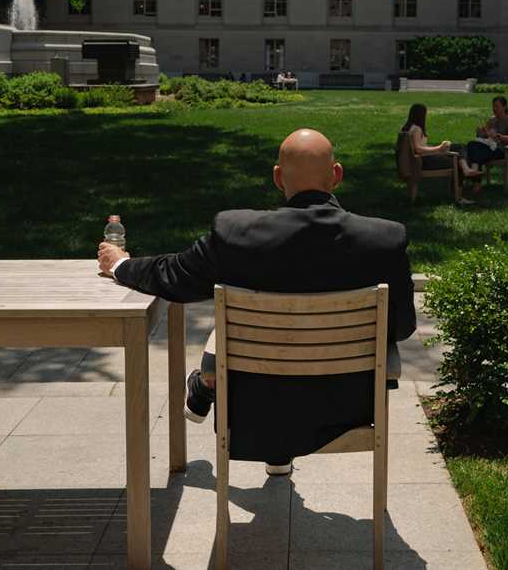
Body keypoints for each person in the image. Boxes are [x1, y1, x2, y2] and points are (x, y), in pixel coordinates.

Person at [97, 129, 417, 476]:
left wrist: (120, 264)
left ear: (278, 178)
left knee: (227, 334)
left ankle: (207, 385)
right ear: (337, 175)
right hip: (345, 405)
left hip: (256, 406)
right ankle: (221, 400)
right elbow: (401, 327)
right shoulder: (385, 241)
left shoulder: (236, 234)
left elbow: (173, 276)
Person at [400, 103, 483, 200]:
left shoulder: (407, 127)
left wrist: (440, 149)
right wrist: (438, 148)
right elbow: (418, 149)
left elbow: (417, 147)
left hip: (422, 159)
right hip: (424, 161)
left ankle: (467, 170)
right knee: (457, 162)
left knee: (458, 147)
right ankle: (459, 196)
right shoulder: (417, 129)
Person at [465, 96, 508, 170]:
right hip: (490, 146)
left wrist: (498, 136)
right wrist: (481, 133)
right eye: (493, 106)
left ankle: (474, 172)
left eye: (497, 106)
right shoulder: (491, 120)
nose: (494, 109)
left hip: (502, 150)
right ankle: (475, 170)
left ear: (504, 107)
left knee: (475, 153)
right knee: (471, 145)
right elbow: (484, 136)